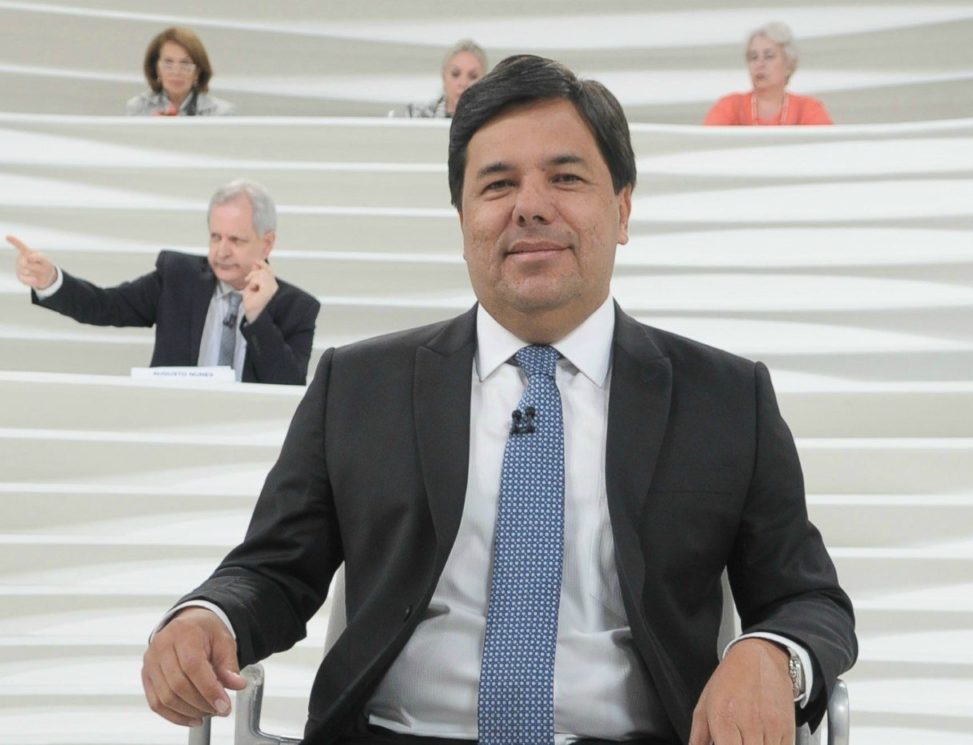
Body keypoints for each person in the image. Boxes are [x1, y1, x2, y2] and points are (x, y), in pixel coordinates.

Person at [142, 56, 856, 744]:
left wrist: (772, 653)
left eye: (566, 177)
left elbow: (807, 598)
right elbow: (273, 570)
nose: (530, 207)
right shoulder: (358, 386)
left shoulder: (725, 398)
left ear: (622, 208)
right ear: (463, 220)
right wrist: (209, 616)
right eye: (497, 184)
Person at [9, 179, 318, 385]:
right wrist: (51, 280)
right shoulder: (177, 278)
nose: (222, 251)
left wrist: (259, 318)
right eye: (215, 237)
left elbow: (287, 390)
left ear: (267, 243)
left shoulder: (297, 308)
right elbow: (104, 306)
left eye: (236, 240)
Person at [704, 22, 832, 126]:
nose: (759, 64)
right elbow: (707, 143)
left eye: (769, 56)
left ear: (788, 64)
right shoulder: (730, 106)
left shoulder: (809, 109)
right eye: (753, 57)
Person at [126, 27, 235, 116]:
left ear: (197, 72)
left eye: (185, 63)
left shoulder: (220, 113)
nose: (176, 72)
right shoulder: (138, 108)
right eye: (168, 63)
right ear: (157, 69)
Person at [398, 39, 487, 118]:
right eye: (455, 74)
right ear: (444, 77)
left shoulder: (491, 121)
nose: (463, 83)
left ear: (484, 81)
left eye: (473, 76)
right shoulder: (416, 115)